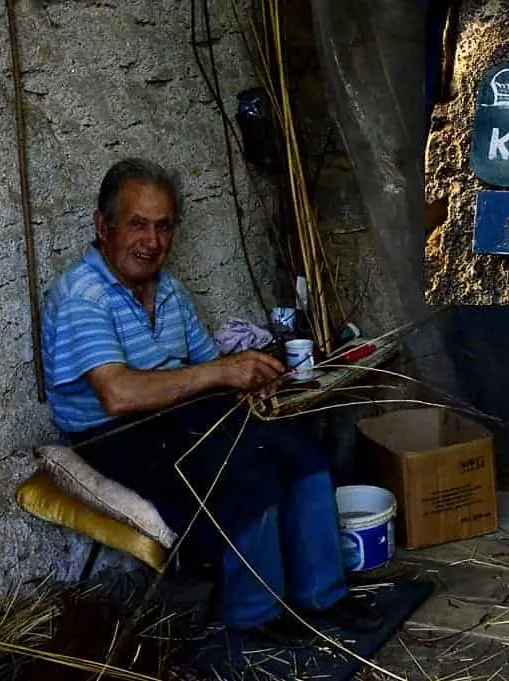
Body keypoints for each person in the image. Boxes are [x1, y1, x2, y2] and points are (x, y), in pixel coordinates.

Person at [39, 158, 382, 646]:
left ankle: (323, 593)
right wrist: (221, 372)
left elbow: (206, 365)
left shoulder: (169, 289)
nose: (151, 242)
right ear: (103, 226)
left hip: (177, 414)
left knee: (298, 444)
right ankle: (254, 611)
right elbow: (117, 394)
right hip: (115, 434)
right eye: (137, 224)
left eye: (163, 227)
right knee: (244, 468)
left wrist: (249, 377)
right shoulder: (82, 295)